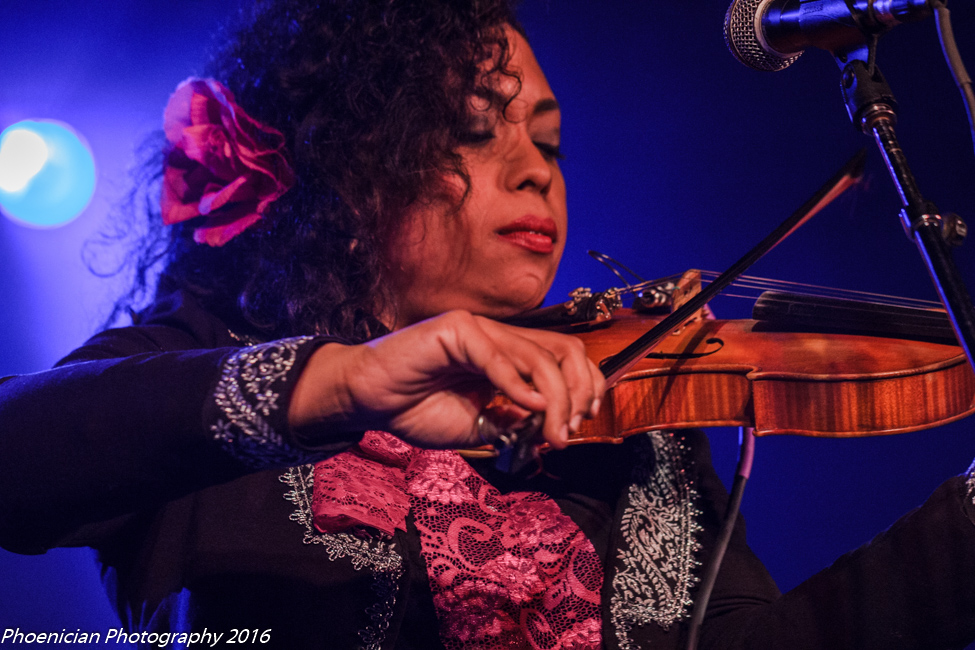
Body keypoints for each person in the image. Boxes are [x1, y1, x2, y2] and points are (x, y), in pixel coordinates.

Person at [1, 1, 975, 648]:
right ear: (352, 168)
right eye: (475, 132)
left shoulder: (628, 409)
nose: (534, 168)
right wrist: (343, 381)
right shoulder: (212, 359)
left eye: (547, 140)